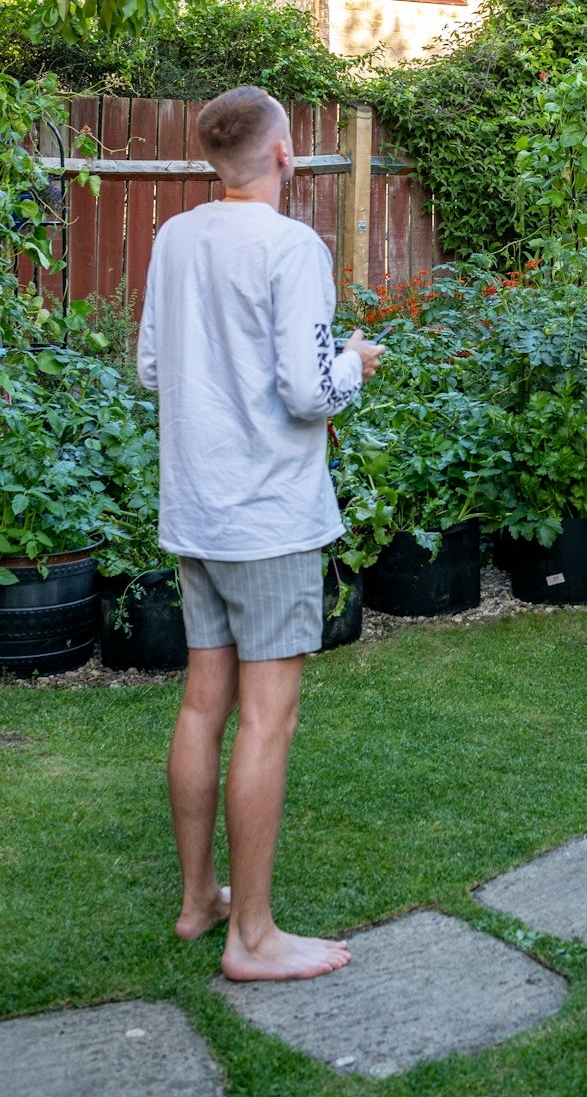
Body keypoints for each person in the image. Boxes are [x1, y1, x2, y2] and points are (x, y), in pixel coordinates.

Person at [137, 85, 383, 981]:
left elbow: (154, 364)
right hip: (269, 518)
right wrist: (353, 361)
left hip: (195, 510)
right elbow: (308, 391)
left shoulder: (174, 238)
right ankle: (254, 939)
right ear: (283, 154)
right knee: (267, 722)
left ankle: (202, 900)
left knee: (206, 702)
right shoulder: (292, 246)